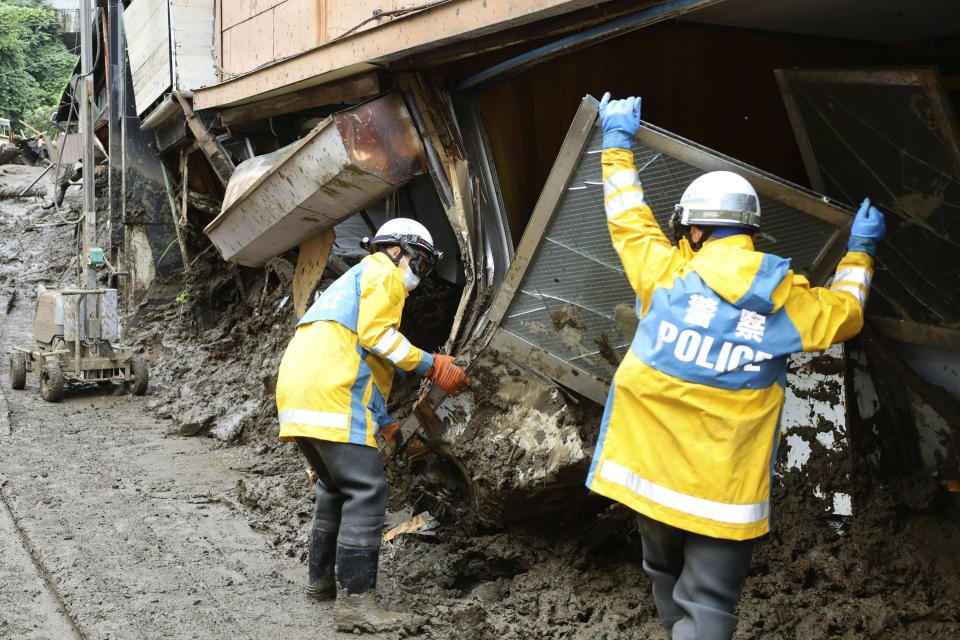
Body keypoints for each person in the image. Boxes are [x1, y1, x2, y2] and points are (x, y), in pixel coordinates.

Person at [586, 93, 886, 640]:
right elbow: (846, 313)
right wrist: (860, 253)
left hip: (648, 474)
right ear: (748, 229)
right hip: (723, 488)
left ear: (695, 230)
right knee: (710, 603)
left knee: (662, 572)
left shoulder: (665, 277)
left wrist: (616, 144)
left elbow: (627, 219)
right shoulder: (785, 302)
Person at [275, 217, 470, 634]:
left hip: (298, 392)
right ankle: (357, 605)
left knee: (334, 487)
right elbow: (379, 337)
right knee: (368, 488)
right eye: (419, 260)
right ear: (396, 250)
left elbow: (362, 357)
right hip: (331, 393)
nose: (420, 271)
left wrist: (382, 422)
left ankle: (321, 583)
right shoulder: (383, 273)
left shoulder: (350, 283)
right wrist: (432, 364)